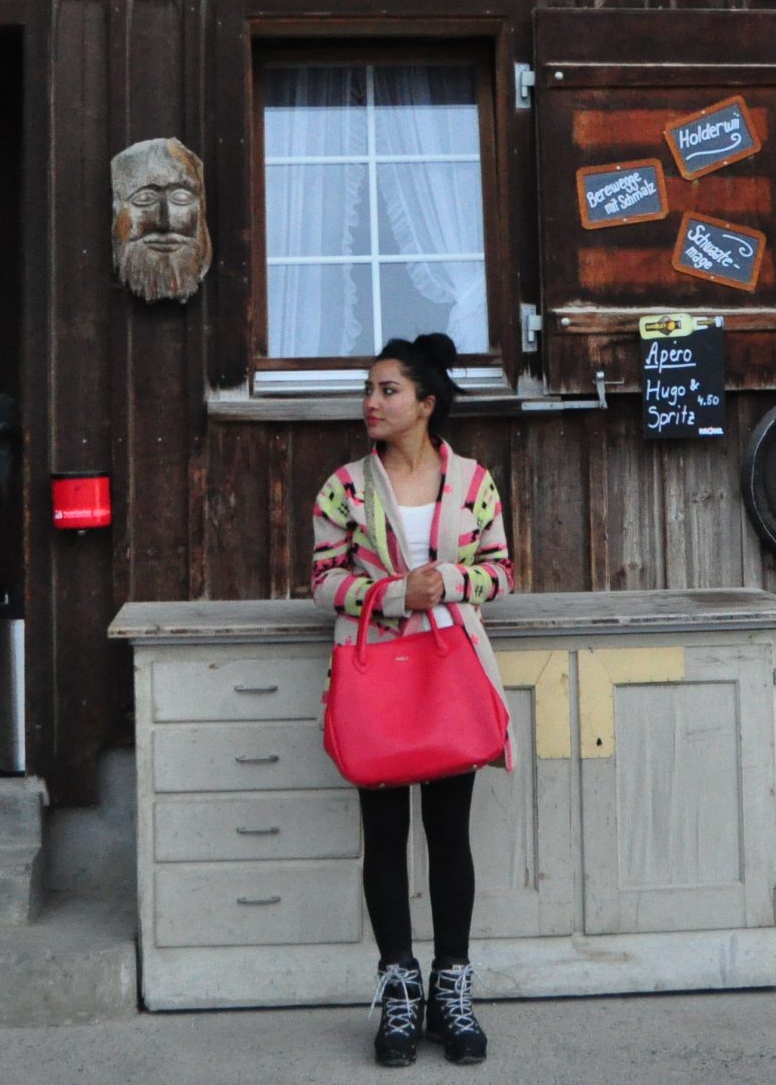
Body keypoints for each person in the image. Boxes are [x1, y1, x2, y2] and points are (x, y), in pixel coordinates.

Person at [309, 331, 514, 1067]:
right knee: (386, 830)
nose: (372, 402)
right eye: (369, 390)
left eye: (388, 390)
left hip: (451, 674)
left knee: (450, 834)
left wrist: (448, 583)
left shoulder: (472, 483)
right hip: (380, 681)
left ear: (426, 404)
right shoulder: (344, 487)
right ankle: (398, 991)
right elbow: (323, 580)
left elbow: (500, 571)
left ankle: (451, 988)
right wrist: (397, 592)